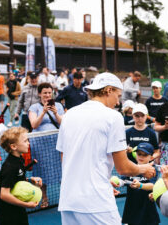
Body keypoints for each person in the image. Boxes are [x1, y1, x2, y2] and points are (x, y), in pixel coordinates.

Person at [56, 72, 155, 224]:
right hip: (96, 201)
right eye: (118, 95)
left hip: (68, 199)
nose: (118, 102)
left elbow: (65, 158)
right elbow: (123, 168)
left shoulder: (69, 115)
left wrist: (102, 178)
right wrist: (144, 169)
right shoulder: (113, 117)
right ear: (108, 90)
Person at [0, 127, 43, 225]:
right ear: (13, 146)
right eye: (25, 141)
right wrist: (26, 204)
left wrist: (30, 180)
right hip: (8, 215)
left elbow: (16, 180)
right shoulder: (10, 167)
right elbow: (4, 194)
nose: (28, 143)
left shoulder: (19, 159)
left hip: (18, 210)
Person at [28, 82, 64, 208]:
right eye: (45, 93)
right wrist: (43, 112)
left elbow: (63, 123)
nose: (48, 95)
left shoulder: (58, 105)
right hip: (39, 144)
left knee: (61, 168)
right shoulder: (34, 108)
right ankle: (44, 198)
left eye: (49, 93)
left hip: (56, 143)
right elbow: (34, 125)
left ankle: (64, 197)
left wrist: (55, 113)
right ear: (39, 94)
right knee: (41, 170)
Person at [121, 143, 160, 225]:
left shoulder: (153, 169)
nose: (141, 157)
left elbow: (153, 186)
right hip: (132, 209)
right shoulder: (130, 169)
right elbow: (123, 181)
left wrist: (140, 185)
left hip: (148, 210)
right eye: (139, 154)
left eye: (145, 155)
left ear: (151, 157)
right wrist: (117, 183)